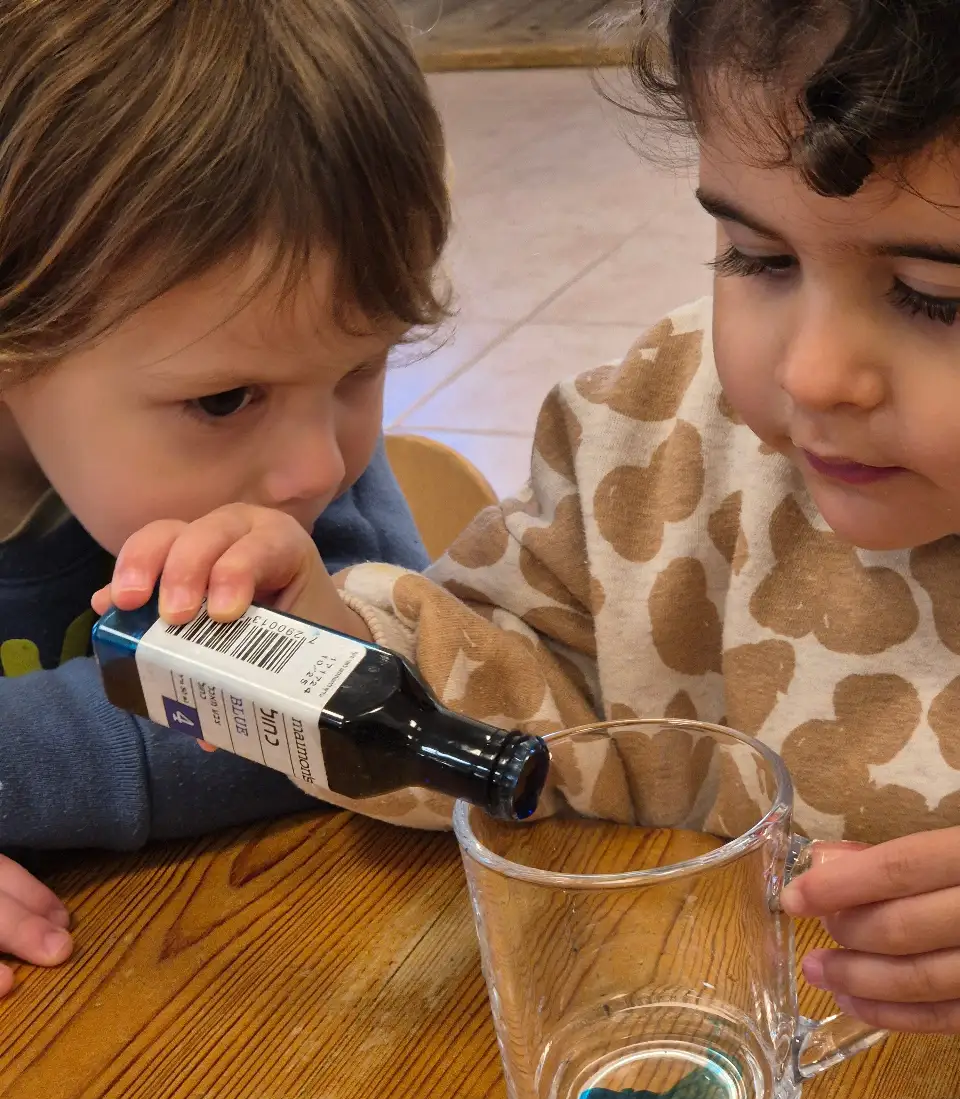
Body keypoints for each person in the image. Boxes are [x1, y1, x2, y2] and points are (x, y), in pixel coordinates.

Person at [103, 0, 960, 1034]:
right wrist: (333, 649)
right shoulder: (651, 437)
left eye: (933, 296)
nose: (812, 374)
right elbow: (523, 698)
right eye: (758, 257)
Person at [0, 0, 452, 994]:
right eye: (222, 400)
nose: (317, 469)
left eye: (362, 368)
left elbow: (366, 716)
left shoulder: (289, 473)